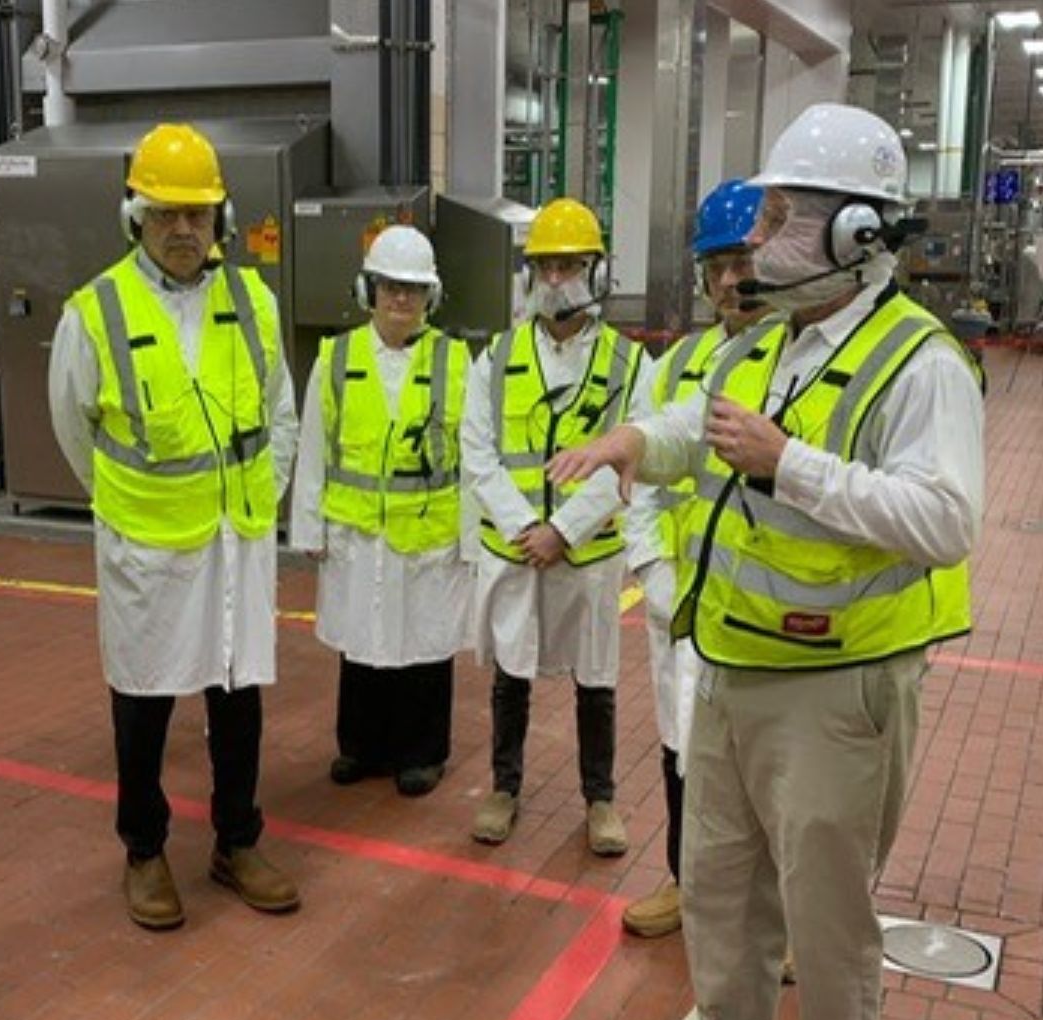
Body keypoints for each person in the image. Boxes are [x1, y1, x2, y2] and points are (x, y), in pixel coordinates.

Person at [558, 103, 985, 1020]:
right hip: (736, 661)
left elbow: (946, 522)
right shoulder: (772, 341)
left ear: (854, 233)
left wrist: (791, 465)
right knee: (719, 884)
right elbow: (697, 429)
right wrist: (633, 443)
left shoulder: (922, 364)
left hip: (840, 685)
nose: (758, 240)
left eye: (783, 215)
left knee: (827, 920)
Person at [48, 122, 301, 932]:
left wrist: (258, 503)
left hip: (236, 542)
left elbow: (280, 412)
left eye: (199, 214)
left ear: (221, 218)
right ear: (135, 217)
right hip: (150, 547)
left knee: (236, 697)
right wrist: (130, 500)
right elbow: (72, 424)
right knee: (144, 702)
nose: (184, 230)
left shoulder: (251, 301)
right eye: (166, 214)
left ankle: (236, 839)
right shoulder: (95, 311)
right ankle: (145, 849)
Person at [463, 196, 644, 856]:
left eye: (569, 265)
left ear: (596, 273)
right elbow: (478, 454)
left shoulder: (629, 365)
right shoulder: (495, 358)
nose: (556, 279)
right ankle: (504, 788)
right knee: (510, 674)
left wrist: (562, 531)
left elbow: (631, 457)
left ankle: (601, 800)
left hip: (586, 554)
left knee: (595, 680)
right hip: (516, 552)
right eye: (544, 266)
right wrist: (525, 530)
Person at [618, 178, 773, 940]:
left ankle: (772, 922)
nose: (728, 282)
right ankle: (687, 886)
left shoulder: (801, 359)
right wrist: (652, 571)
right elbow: (640, 473)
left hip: (773, 610)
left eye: (742, 260)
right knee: (682, 748)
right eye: (714, 266)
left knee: (768, 775)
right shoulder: (676, 364)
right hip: (684, 603)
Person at [289, 225, 471, 797]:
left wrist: (471, 540)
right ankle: (361, 747)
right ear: (369, 289)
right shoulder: (336, 359)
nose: (401, 300)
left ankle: (422, 753)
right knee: (362, 640)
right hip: (357, 532)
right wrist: (308, 524)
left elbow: (471, 457)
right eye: (390, 287)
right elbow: (314, 444)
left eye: (413, 290)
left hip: (428, 535)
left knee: (424, 644)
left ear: (430, 297)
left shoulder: (457, 361)